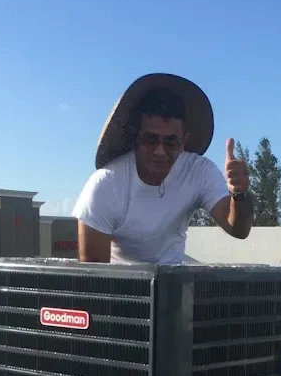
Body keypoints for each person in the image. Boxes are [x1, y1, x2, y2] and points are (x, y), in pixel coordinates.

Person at [73, 73, 253, 263]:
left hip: (173, 278)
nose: (160, 151)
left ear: (184, 141)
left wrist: (239, 194)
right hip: (120, 280)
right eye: (150, 139)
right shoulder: (106, 184)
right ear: (136, 137)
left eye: (170, 141)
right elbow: (94, 272)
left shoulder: (199, 172)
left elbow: (239, 230)